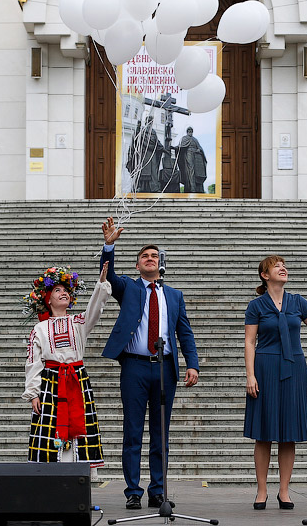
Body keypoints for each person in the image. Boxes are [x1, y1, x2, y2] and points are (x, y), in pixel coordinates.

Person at [99, 216, 200, 510]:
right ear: (137, 265)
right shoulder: (128, 288)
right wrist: (109, 246)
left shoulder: (174, 295)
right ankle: (133, 490)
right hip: (135, 366)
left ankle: (158, 489)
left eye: (154, 256)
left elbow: (185, 332)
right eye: (144, 256)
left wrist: (191, 364)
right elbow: (107, 276)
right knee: (132, 431)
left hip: (164, 366)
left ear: (161, 263)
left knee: (161, 433)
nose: (150, 259)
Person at [244, 255, 307, 511]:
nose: (282, 268)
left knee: (288, 434)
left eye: (283, 265)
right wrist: (250, 375)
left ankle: (285, 491)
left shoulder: (297, 301)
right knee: (264, 433)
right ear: (265, 275)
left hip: (294, 368)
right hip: (265, 368)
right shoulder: (256, 305)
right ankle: (262, 490)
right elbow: (249, 342)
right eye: (276, 266)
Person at [22, 263, 111, 470]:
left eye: (66, 290)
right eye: (57, 290)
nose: (64, 293)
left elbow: (94, 309)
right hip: (51, 382)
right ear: (48, 298)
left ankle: (79, 479)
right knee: (52, 427)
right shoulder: (39, 329)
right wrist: (33, 393)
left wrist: (101, 283)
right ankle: (52, 478)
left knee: (79, 426)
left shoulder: (79, 321)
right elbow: (33, 362)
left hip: (76, 379)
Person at [125, 116, 164, 193]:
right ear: (146, 122)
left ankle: (154, 188)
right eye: (148, 121)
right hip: (143, 153)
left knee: (153, 171)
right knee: (141, 170)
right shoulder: (141, 130)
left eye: (151, 121)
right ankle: (139, 187)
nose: (150, 122)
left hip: (152, 154)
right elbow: (136, 138)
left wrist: (163, 149)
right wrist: (138, 127)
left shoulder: (153, 132)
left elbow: (157, 142)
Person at [177, 127, 207, 194]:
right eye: (189, 131)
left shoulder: (195, 139)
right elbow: (180, 146)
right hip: (188, 153)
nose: (190, 132)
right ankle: (192, 187)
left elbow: (199, 147)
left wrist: (199, 150)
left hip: (196, 155)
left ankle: (197, 187)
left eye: (191, 131)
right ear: (187, 132)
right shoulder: (184, 138)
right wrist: (175, 147)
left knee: (196, 170)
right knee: (191, 169)